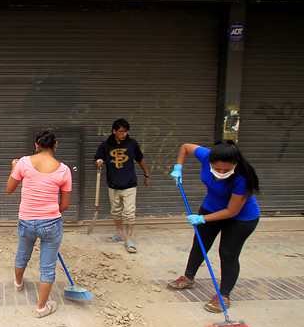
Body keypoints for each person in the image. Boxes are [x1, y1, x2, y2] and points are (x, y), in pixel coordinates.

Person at [167, 140, 260, 313]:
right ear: (210, 161)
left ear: (236, 164)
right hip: (211, 206)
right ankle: (188, 277)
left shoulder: (242, 178)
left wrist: (202, 218)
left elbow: (232, 211)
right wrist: (178, 167)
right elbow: (185, 147)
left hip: (241, 217)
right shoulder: (206, 155)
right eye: (217, 169)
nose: (222, 173)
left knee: (227, 254)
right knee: (199, 244)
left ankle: (224, 295)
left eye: (227, 170)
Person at [7, 130, 72, 318]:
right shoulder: (64, 170)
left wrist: (14, 168)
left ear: (37, 145)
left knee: (22, 255)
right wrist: (50, 215)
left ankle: (18, 284)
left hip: (26, 221)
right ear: (56, 145)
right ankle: (41, 308)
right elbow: (65, 205)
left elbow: (9, 189)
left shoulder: (23, 162)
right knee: (47, 267)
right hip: (51, 222)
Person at [94, 119, 150, 254]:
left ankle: (129, 238)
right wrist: (99, 162)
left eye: (126, 131)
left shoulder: (132, 144)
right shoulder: (106, 145)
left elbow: (140, 159)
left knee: (129, 213)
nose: (124, 134)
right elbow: (96, 161)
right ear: (114, 131)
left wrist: (147, 175)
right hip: (113, 184)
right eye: (121, 131)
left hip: (130, 184)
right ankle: (119, 233)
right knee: (116, 211)